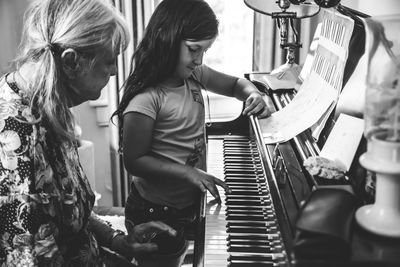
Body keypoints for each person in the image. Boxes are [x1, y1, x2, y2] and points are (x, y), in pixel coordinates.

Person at [0, 0, 177, 266]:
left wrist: (119, 242)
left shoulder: (48, 103)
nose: (116, 71)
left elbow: (70, 213)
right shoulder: (18, 145)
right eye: (109, 60)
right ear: (71, 61)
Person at [112, 0, 271, 266]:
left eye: (204, 51)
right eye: (193, 49)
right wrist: (189, 172)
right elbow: (134, 161)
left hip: (187, 202)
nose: (198, 59)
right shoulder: (146, 99)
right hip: (156, 209)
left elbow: (235, 85)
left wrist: (253, 93)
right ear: (166, 39)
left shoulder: (194, 74)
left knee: (185, 256)